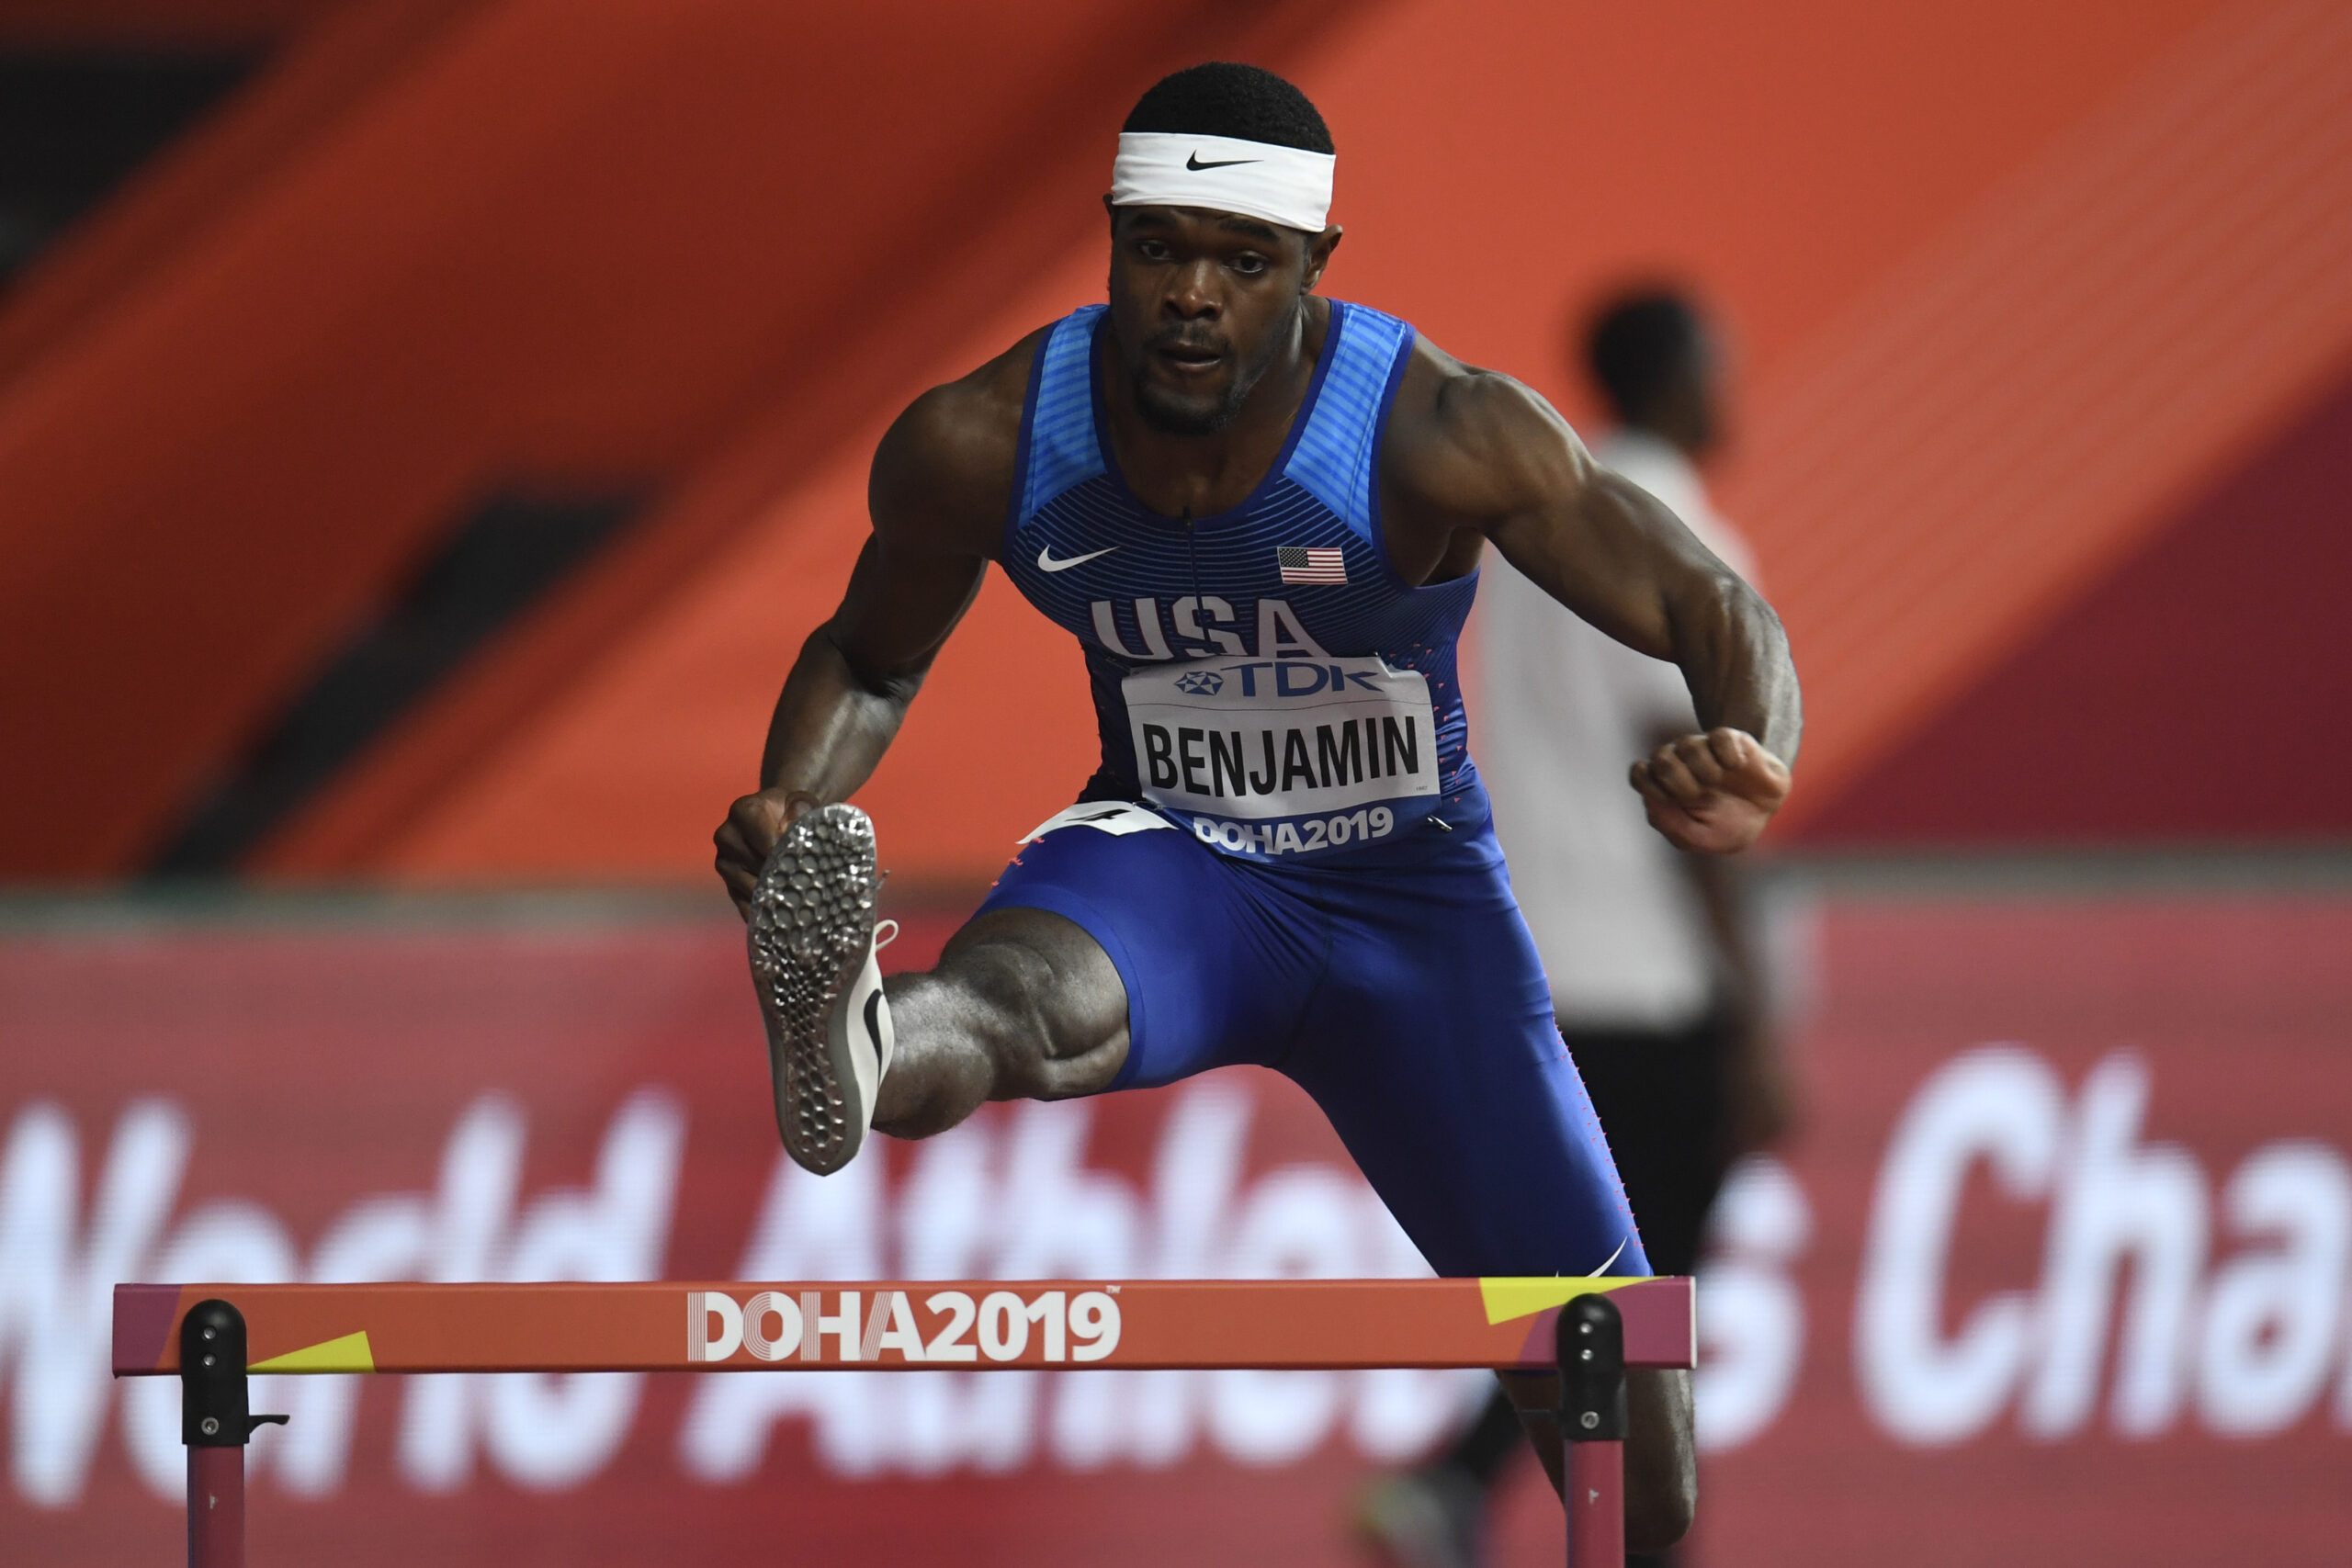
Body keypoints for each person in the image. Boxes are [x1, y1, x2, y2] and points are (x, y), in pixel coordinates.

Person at [711, 63, 1800, 1551]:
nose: (1191, 297)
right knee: (1015, 1006)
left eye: (1243, 263)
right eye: (1158, 249)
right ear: (1111, 239)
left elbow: (1707, 599)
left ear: (1314, 267)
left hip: (1415, 906)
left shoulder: (1436, 429)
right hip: (1181, 863)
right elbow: (868, 656)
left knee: (1634, 1444)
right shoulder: (986, 438)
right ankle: (861, 1034)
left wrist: (1752, 744)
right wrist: (792, 798)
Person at [1358, 291, 1793, 1568]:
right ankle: (1528, 1507)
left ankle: (1456, 1490)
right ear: (1673, 380)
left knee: (1590, 1284)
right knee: (1642, 1300)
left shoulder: (1536, 535)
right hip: (1650, 981)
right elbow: (1704, 786)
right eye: (1718, 364)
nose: (1730, 390)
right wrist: (1757, 1010)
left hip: (1535, 962)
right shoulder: (1682, 539)